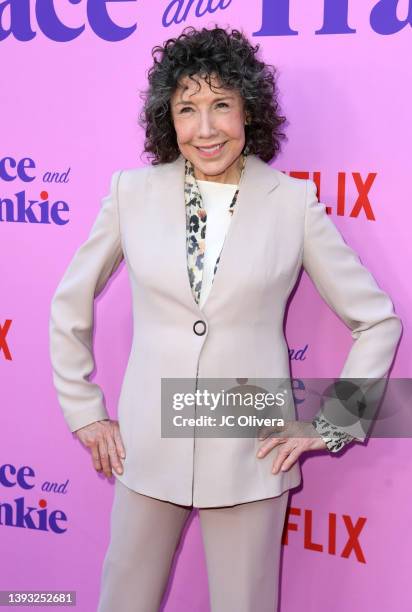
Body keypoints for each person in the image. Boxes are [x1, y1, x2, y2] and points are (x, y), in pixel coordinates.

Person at [49, 25, 402, 612]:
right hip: (146, 445)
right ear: (169, 119)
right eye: (188, 109)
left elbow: (377, 319)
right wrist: (84, 412)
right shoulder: (131, 194)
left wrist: (332, 422)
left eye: (221, 105)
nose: (205, 128)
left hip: (251, 446)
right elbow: (69, 300)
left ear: (249, 111)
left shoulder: (293, 202)